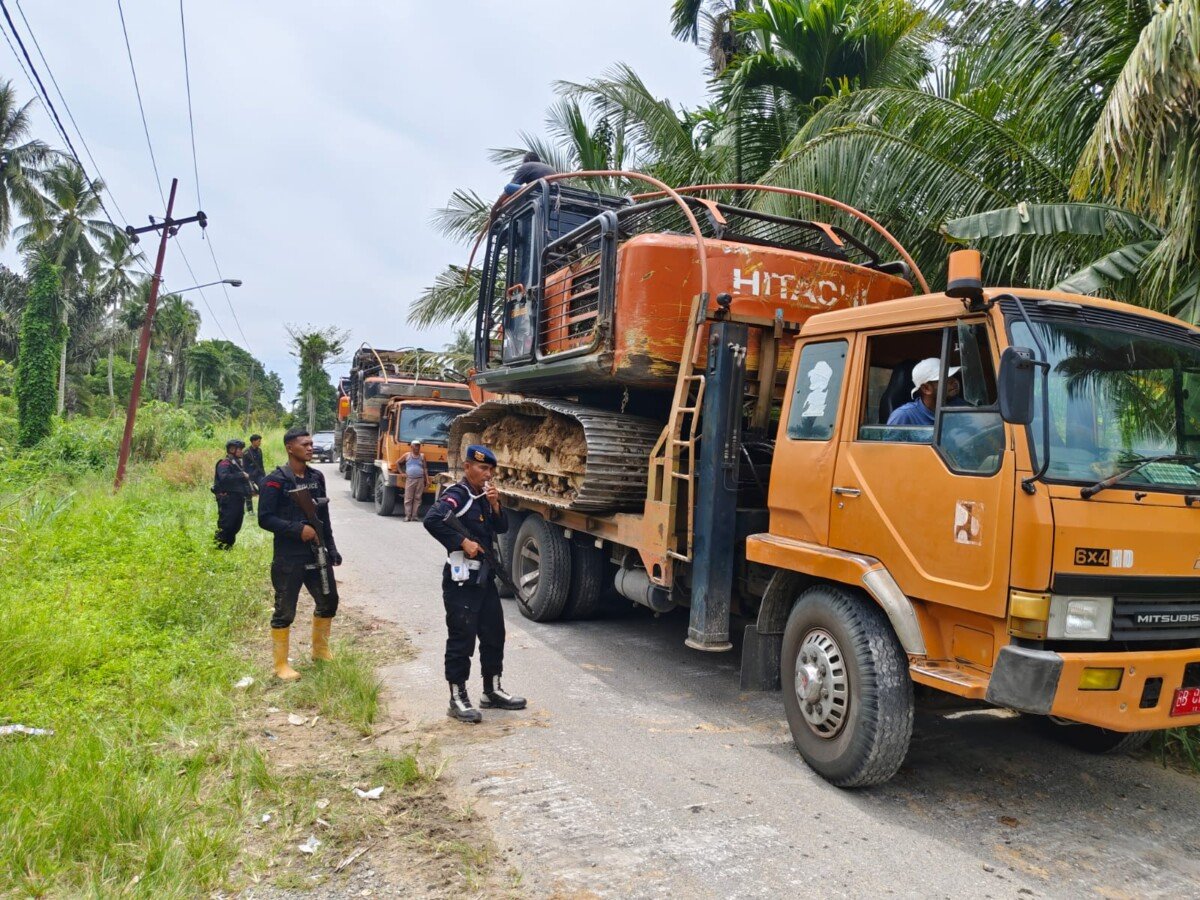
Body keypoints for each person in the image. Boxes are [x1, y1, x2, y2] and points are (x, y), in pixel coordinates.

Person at [423, 444, 526, 723]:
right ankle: (457, 698)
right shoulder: (459, 495)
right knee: (462, 639)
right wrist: (462, 542)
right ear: (467, 467)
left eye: (491, 469)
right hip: (461, 581)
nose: (487, 474)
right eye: (482, 468)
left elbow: (502, 528)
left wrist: (494, 504)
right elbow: (432, 519)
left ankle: (491, 690)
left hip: (484, 578)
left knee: (494, 635)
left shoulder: (481, 496)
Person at [258, 428, 343, 681]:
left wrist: (332, 548)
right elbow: (265, 518)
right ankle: (280, 665)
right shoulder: (275, 480)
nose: (310, 448)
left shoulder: (316, 477)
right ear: (289, 448)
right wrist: (297, 530)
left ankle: (320, 651)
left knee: (329, 601)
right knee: (285, 609)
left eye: (311, 444)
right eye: (304, 444)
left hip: (316, 553)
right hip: (289, 555)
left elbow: (323, 518)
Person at [886, 358, 962, 428]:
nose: (954, 382)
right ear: (926, 388)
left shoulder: (962, 408)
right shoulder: (904, 416)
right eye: (945, 379)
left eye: (953, 376)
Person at [213, 439, 253, 549]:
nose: (242, 452)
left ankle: (228, 546)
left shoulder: (236, 463)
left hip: (238, 498)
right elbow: (224, 478)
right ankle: (219, 547)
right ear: (232, 449)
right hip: (228, 499)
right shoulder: (224, 463)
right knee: (227, 524)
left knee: (236, 524)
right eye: (240, 449)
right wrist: (241, 475)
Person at [400, 440, 429, 522]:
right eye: (415, 446)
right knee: (408, 498)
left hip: (420, 479)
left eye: (418, 446)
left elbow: (425, 468)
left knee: (418, 498)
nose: (417, 447)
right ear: (411, 447)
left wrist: (427, 480)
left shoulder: (422, 456)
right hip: (410, 479)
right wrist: (402, 473)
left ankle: (415, 516)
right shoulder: (407, 455)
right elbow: (398, 463)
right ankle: (407, 516)